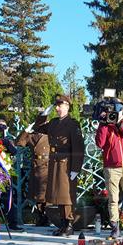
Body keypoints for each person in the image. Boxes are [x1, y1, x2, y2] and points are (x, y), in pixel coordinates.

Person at [32, 94, 84, 236]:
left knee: (66, 195)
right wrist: (44, 114)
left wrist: (75, 168)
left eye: (59, 106)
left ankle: (69, 224)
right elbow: (37, 127)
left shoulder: (73, 124)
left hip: (66, 163)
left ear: (67, 106)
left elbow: (78, 147)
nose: (57, 108)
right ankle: (62, 224)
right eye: (56, 106)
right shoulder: (54, 123)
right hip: (54, 161)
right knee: (58, 195)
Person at [95, 102, 123, 237]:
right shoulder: (105, 124)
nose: (112, 114)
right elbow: (99, 143)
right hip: (111, 167)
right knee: (113, 199)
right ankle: (115, 228)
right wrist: (103, 124)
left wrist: (120, 124)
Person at [15, 109, 51, 227]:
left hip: (47, 164)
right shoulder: (32, 136)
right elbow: (19, 142)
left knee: (46, 192)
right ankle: (40, 216)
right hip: (36, 165)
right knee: (37, 194)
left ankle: (47, 216)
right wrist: (26, 131)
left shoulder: (49, 134)